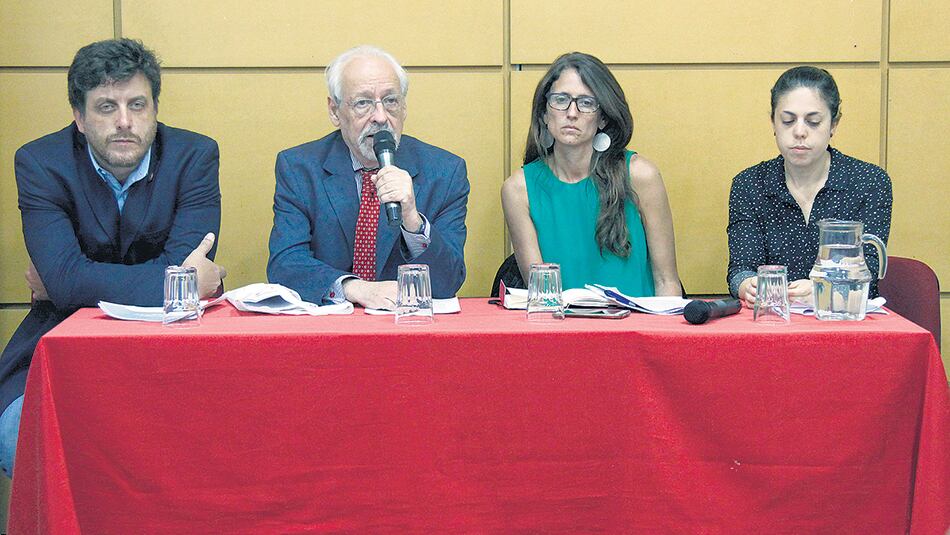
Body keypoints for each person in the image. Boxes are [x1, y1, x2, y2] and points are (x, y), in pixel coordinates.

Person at [0, 38, 226, 477]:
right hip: (61, 342)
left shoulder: (194, 157)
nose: (125, 122)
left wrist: (73, 281)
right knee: (15, 437)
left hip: (173, 344)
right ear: (79, 118)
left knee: (207, 447)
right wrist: (176, 283)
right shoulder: (39, 162)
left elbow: (67, 282)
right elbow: (66, 281)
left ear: (155, 110)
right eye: (106, 107)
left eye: (137, 105)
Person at [267, 46, 469, 309]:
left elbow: (448, 281)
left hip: (407, 330)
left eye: (391, 101)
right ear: (334, 111)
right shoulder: (299, 168)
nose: (380, 117)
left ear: (404, 107)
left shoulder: (444, 172)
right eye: (363, 103)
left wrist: (412, 220)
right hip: (327, 330)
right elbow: (285, 264)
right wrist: (355, 288)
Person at [501, 52, 681, 296]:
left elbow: (666, 282)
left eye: (586, 103)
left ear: (603, 118)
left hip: (638, 328)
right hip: (562, 330)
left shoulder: (641, 176)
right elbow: (542, 296)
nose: (572, 113)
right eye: (561, 99)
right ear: (544, 113)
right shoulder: (518, 189)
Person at [727, 66, 892, 307]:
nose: (800, 132)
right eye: (787, 120)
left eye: (813, 122)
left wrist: (821, 292)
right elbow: (740, 268)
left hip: (845, 323)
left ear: (834, 124)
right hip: (773, 322)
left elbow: (867, 271)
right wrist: (746, 286)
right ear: (773, 122)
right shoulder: (749, 184)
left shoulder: (869, 181)